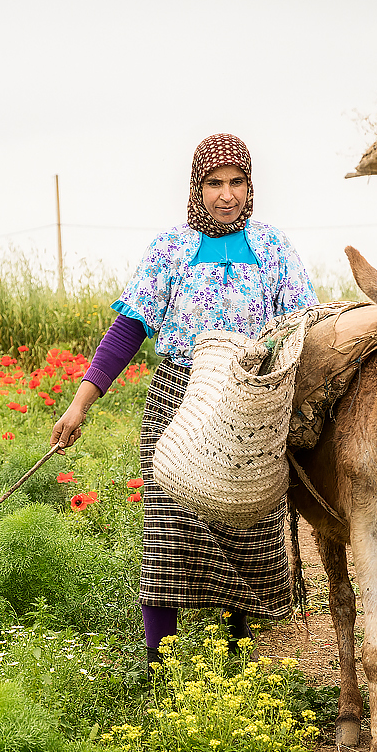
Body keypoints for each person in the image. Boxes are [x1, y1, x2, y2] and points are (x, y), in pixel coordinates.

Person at [50, 133, 318, 675]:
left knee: (243, 527)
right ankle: (160, 673)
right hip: (179, 402)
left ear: (250, 186)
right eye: (214, 183)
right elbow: (127, 330)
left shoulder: (273, 248)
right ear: (197, 188)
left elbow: (301, 327)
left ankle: (239, 660)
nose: (226, 195)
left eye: (236, 182)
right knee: (169, 536)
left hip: (246, 403)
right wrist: (81, 403)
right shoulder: (170, 250)